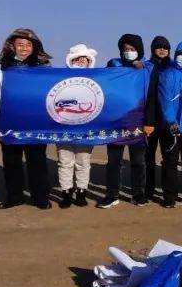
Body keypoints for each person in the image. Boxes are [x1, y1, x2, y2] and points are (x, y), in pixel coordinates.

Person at [0, 28, 53, 209]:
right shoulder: (1, 68)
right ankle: (14, 196)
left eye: (29, 45)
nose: (25, 48)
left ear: (34, 47)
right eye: (20, 44)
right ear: (12, 46)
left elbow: (52, 94)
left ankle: (40, 197)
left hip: (36, 124)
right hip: (9, 122)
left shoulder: (44, 68)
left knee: (37, 161)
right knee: (12, 161)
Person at [144, 40, 182, 207]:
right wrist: (171, 121)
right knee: (170, 161)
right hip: (172, 127)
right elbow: (165, 100)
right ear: (175, 55)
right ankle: (169, 196)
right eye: (180, 54)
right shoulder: (168, 74)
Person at [98, 34, 149, 208]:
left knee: (138, 161)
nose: (129, 52)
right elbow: (103, 83)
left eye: (132, 49)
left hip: (137, 121)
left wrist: (140, 68)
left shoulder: (145, 67)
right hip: (115, 122)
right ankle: (112, 194)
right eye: (126, 49)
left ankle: (138, 194)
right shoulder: (114, 64)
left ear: (139, 51)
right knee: (114, 161)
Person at [56, 43, 98, 208]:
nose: (81, 62)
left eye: (85, 59)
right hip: (63, 127)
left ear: (90, 62)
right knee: (65, 161)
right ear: (71, 60)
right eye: (78, 59)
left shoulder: (96, 79)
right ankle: (66, 192)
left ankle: (81, 192)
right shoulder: (60, 78)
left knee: (83, 161)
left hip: (86, 128)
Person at [143, 36, 172, 202]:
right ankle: (148, 191)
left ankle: (168, 194)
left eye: (165, 47)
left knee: (168, 159)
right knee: (148, 158)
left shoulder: (173, 68)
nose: (162, 50)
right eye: (159, 47)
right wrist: (147, 120)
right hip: (149, 120)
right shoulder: (146, 67)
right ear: (153, 49)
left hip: (167, 121)